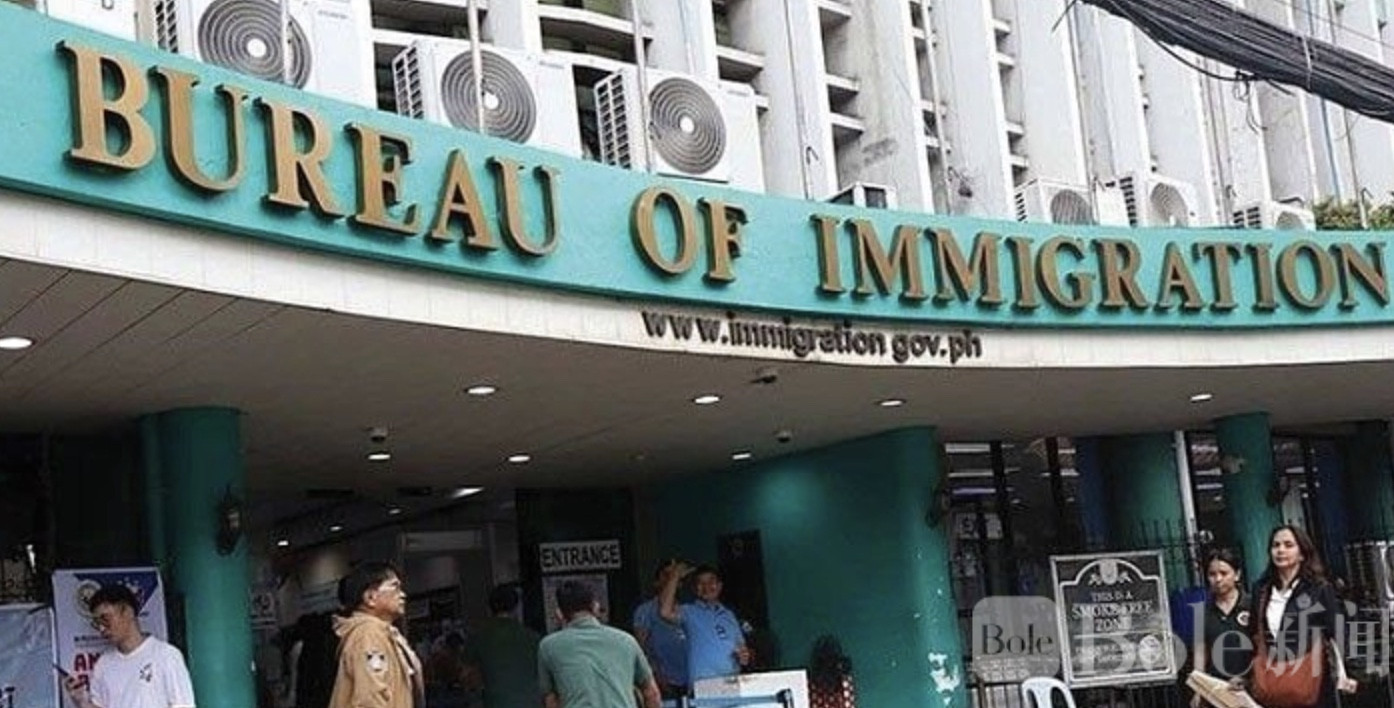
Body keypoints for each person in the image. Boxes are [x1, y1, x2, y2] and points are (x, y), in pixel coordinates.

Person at [1246, 525, 1357, 708]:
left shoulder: (1318, 589)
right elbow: (1253, 634)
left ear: (1302, 554)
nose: (1281, 550)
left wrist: (1347, 672)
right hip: (1272, 679)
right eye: (1276, 545)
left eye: (1288, 545)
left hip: (1313, 679)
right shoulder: (1261, 589)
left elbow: (1338, 632)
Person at [62, 583, 197, 708]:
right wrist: (82, 701)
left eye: (105, 619)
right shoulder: (103, 665)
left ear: (127, 612)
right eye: (97, 623)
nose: (102, 628)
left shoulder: (166, 655)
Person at [538, 580, 660, 708]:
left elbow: (551, 701)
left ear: (559, 614)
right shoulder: (627, 641)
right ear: (595, 607)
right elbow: (652, 693)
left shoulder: (549, 646)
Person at [329, 562, 423, 708]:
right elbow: (370, 697)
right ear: (370, 597)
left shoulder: (381, 632)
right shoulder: (368, 634)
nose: (403, 595)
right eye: (395, 587)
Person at [658, 562, 751, 687]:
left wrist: (743, 655)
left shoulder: (729, 615)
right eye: (701, 583)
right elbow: (665, 612)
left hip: (732, 684)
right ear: (695, 589)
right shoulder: (689, 612)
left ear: (719, 586)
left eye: (711, 582)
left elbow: (741, 648)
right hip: (703, 687)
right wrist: (675, 576)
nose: (706, 586)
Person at [1189, 548, 1252, 708]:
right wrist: (1198, 690)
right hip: (1216, 692)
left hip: (1251, 688)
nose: (1218, 579)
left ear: (1237, 575)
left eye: (1224, 573)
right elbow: (1200, 652)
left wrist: (1248, 678)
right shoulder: (1202, 612)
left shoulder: (1253, 606)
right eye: (1212, 574)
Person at [462, 584, 542, 708]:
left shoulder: (478, 637)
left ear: (489, 609)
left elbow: (466, 676)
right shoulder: (533, 637)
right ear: (516, 608)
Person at [631, 564, 689, 698]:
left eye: (675, 576)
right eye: (667, 575)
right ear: (656, 582)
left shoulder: (687, 610)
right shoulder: (645, 610)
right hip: (663, 681)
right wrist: (656, 675)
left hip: (691, 679)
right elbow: (640, 648)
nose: (671, 579)